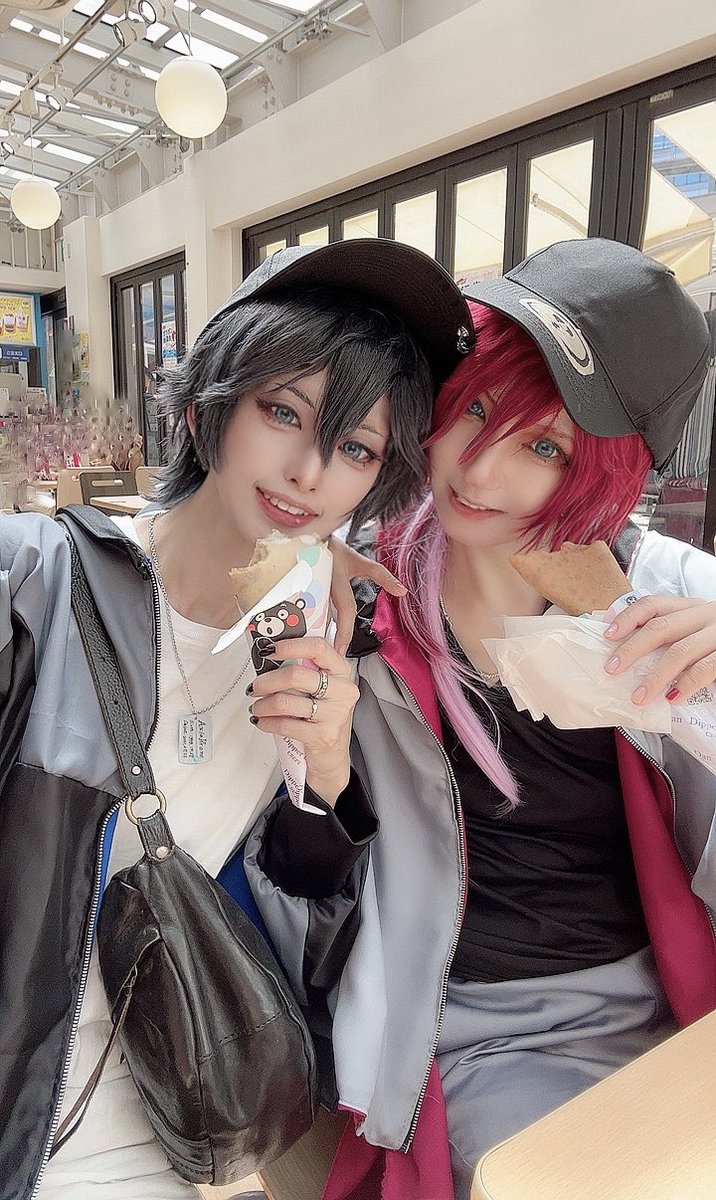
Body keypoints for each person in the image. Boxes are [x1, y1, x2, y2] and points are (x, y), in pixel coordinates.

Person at [0, 238, 474, 1200]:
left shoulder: (324, 646)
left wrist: (327, 780)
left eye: (354, 449)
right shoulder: (34, 581)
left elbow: (295, 948)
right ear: (203, 410)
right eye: (282, 412)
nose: (308, 471)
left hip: (157, 1101)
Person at [244, 238, 716, 1200]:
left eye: (546, 448)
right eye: (478, 408)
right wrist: (322, 774)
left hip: (675, 1005)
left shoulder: (661, 595)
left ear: (606, 476)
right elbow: (289, 886)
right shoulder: (351, 598)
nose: (480, 470)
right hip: (472, 1030)